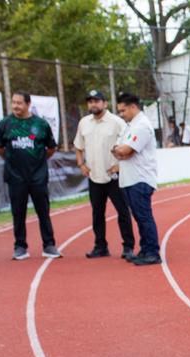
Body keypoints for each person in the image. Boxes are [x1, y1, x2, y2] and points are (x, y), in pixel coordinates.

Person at [0, 91, 60, 260]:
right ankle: (20, 246)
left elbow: (51, 148)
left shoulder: (41, 124)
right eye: (13, 102)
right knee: (18, 213)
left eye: (19, 103)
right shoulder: (5, 124)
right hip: (15, 177)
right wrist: (11, 160)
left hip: (38, 176)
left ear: (28, 104)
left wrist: (39, 160)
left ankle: (49, 245)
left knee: (43, 212)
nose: (15, 106)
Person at [73, 90, 135, 261]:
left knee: (123, 212)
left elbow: (130, 144)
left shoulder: (117, 122)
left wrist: (120, 165)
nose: (93, 104)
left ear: (105, 104)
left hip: (114, 176)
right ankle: (100, 246)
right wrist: (81, 164)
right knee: (97, 213)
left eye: (97, 101)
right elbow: (78, 146)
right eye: (90, 101)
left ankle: (128, 246)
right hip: (94, 176)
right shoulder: (84, 123)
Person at [113, 92, 161, 266]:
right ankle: (145, 249)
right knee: (140, 218)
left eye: (123, 110)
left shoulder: (142, 126)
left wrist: (121, 150)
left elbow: (125, 151)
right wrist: (120, 150)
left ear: (133, 107)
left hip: (140, 179)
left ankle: (153, 252)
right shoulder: (130, 125)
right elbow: (118, 149)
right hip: (129, 178)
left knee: (144, 217)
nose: (121, 114)